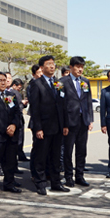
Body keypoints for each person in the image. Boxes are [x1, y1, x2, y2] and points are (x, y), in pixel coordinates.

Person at [28, 55, 70, 195]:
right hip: (44, 128)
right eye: (48, 64)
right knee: (41, 157)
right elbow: (35, 108)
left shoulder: (58, 83)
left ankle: (56, 183)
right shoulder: (36, 84)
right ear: (41, 67)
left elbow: (63, 104)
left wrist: (65, 125)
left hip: (58, 127)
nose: (52, 66)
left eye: (53, 64)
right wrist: (38, 128)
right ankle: (40, 183)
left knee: (56, 157)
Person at [60, 56, 93, 187]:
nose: (80, 69)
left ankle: (79, 176)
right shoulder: (61, 81)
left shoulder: (85, 81)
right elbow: (60, 103)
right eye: (78, 66)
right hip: (69, 122)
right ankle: (68, 176)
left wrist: (90, 119)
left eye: (82, 67)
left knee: (82, 150)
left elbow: (88, 101)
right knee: (68, 151)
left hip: (83, 121)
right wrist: (63, 124)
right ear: (71, 67)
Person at [8, 78, 29, 163]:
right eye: (18, 87)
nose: (19, 89)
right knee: (18, 140)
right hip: (17, 120)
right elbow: (16, 107)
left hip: (15, 119)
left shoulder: (10, 93)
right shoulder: (14, 93)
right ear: (14, 85)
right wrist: (22, 103)